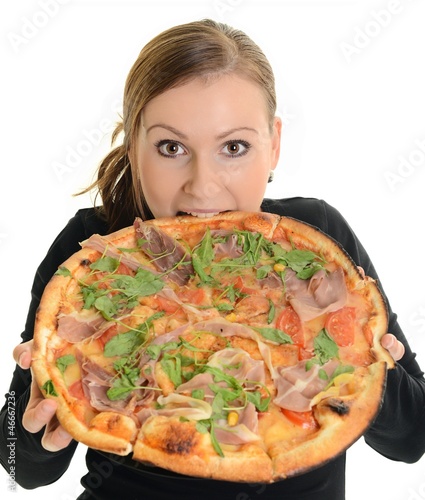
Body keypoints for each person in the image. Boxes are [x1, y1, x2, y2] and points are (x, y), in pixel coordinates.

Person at [0, 18, 424, 500]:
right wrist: (37, 426)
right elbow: (19, 468)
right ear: (133, 148)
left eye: (234, 147)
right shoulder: (92, 251)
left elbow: (414, 440)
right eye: (171, 147)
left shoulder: (315, 239)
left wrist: (363, 374)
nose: (202, 185)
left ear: (275, 145)